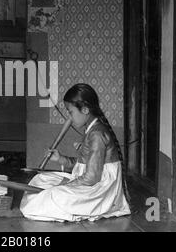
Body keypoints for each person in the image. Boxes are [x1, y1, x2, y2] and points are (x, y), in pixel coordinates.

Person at [20, 83, 131, 222]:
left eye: (70, 112)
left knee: (54, 194)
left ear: (85, 110)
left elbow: (91, 178)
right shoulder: (91, 129)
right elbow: (82, 166)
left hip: (99, 190)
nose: (69, 118)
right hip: (87, 182)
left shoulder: (97, 134)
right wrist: (61, 159)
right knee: (40, 179)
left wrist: (65, 185)